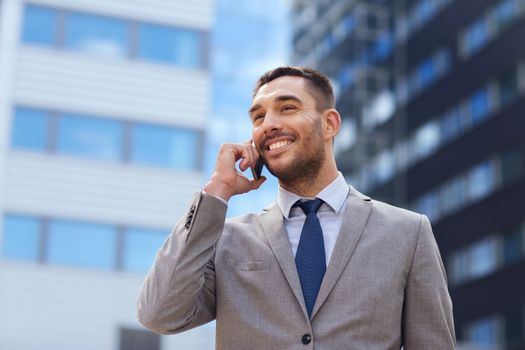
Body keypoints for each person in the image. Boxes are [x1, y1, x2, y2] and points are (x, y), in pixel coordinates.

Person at [137, 66, 456, 349]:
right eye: (258, 117)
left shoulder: (408, 233)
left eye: (287, 108)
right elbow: (160, 314)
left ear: (330, 124)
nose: (268, 125)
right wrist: (216, 191)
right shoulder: (226, 239)